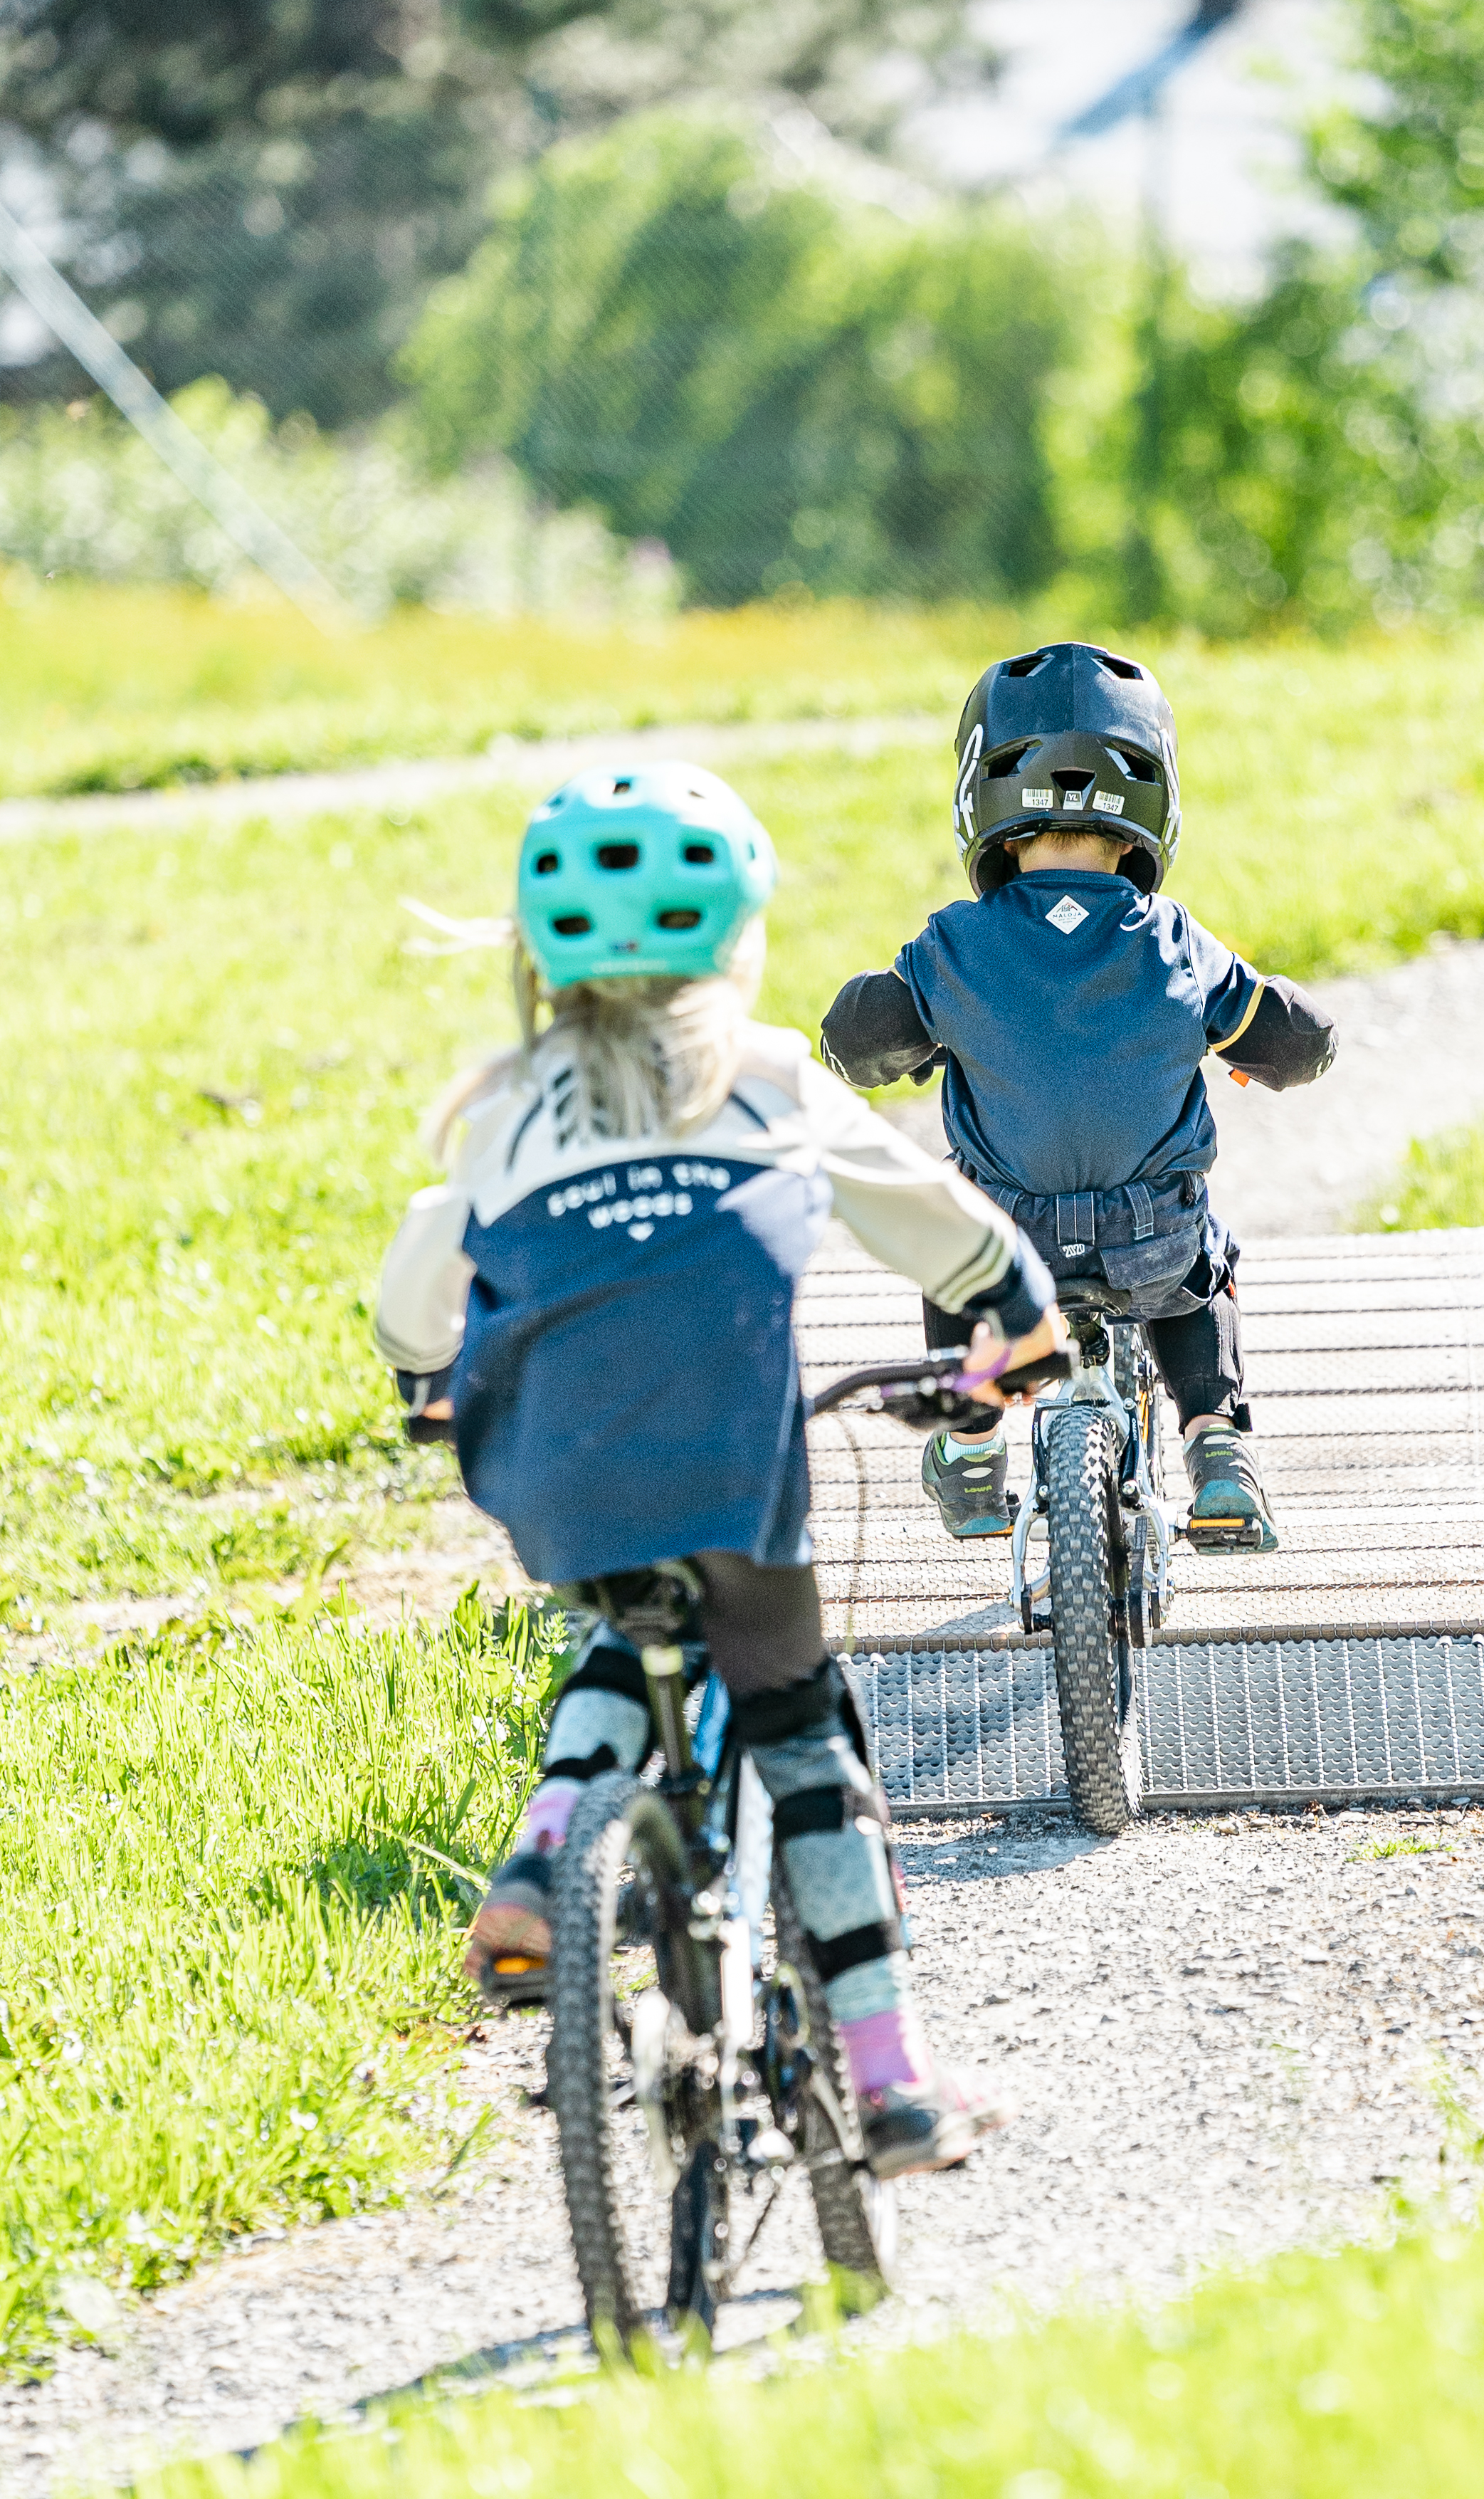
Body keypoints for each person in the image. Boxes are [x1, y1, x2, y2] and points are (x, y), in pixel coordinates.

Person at [372, 758, 1063, 2180]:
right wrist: (1023, 1331)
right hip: (732, 1452)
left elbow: (411, 1294)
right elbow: (944, 1227)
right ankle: (889, 2081)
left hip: (557, 1459)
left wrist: (423, 1376)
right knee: (794, 1723)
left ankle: (542, 1856)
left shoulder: (499, 1105)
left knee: (623, 1630)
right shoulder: (765, 1080)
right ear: (733, 939)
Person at [819, 641, 1335, 1552]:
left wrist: (860, 1049)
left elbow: (862, 1037)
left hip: (1002, 1249)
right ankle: (1217, 1450)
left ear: (982, 799)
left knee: (951, 1237)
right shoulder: (1173, 942)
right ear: (1151, 804)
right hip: (1150, 1241)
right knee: (1199, 1273)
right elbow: (1288, 1039)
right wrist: (1297, 1046)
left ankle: (974, 1446)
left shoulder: (956, 946)